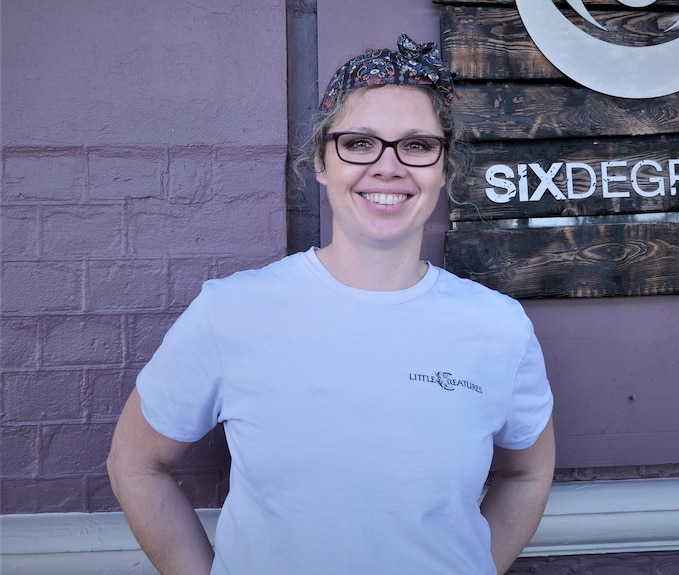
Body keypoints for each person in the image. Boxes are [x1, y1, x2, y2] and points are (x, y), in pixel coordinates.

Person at [107, 33, 555, 575]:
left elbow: (528, 475)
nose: (388, 167)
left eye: (416, 145)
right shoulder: (233, 311)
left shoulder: (497, 327)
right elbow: (136, 463)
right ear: (321, 161)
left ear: (444, 167)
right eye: (360, 143)